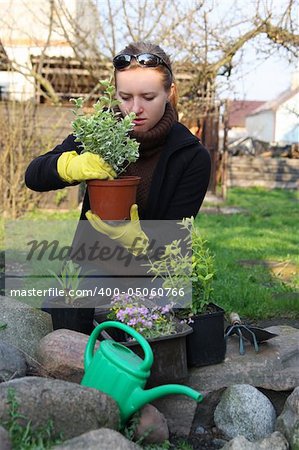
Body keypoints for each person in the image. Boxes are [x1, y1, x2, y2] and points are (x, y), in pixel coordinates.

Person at [25, 41, 211, 331]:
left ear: (170, 93)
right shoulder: (99, 132)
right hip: (91, 267)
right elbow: (34, 175)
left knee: (135, 336)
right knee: (59, 319)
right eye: (125, 97)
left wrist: (137, 240)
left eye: (148, 97)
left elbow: (174, 244)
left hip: (151, 278)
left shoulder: (190, 156)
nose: (134, 109)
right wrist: (70, 165)